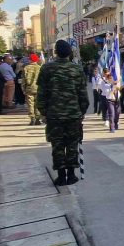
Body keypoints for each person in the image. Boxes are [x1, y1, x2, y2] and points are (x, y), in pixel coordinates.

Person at [37, 40, 89, 186]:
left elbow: (41, 93)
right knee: (72, 144)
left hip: (54, 115)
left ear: (55, 52)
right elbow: (83, 94)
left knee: (57, 145)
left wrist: (43, 112)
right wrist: (82, 111)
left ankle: (61, 176)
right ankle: (71, 175)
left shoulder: (46, 69)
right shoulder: (77, 69)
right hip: (73, 114)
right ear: (70, 53)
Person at [22, 53, 42, 125]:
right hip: (38, 88)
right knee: (38, 103)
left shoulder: (25, 68)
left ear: (30, 60)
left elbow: (23, 80)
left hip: (29, 88)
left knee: (30, 104)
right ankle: (38, 119)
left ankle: (32, 118)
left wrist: (23, 89)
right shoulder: (40, 68)